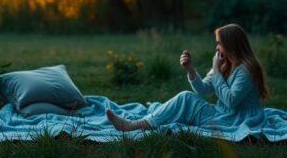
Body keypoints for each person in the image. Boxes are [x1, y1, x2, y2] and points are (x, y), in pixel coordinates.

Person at [106, 23, 269, 131]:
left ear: (231, 46)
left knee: (185, 99)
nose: (217, 47)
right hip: (223, 114)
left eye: (220, 43)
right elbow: (203, 89)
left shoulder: (247, 70)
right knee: (184, 101)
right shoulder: (224, 64)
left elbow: (231, 100)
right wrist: (190, 69)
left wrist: (216, 71)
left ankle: (134, 125)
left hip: (237, 120)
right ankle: (150, 116)